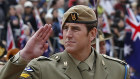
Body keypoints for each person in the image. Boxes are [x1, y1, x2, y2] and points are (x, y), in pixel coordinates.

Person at [0, 5, 130, 79]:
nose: (67, 35)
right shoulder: (42, 68)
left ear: (92, 34)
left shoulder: (118, 70)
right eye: (65, 28)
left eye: (75, 29)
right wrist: (24, 56)